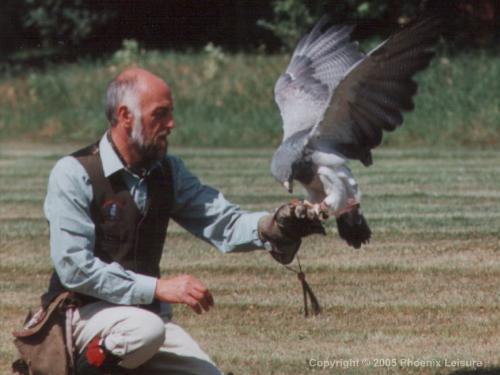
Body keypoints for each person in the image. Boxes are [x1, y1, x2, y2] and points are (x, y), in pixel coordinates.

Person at [41, 67, 324, 375]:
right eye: (160, 115)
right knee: (143, 331)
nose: (171, 124)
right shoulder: (74, 172)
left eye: (171, 114)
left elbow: (223, 222)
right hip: (81, 315)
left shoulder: (168, 171)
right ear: (125, 116)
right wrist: (158, 288)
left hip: (143, 320)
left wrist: (271, 227)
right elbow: (74, 267)